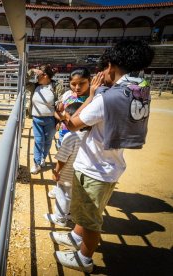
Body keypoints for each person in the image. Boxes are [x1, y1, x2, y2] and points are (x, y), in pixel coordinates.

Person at [50, 40, 154, 273]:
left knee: (90, 219)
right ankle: (77, 237)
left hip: (95, 167)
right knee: (87, 211)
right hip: (110, 164)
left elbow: (73, 124)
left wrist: (91, 96)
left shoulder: (104, 99)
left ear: (111, 66)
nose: (100, 74)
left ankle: (84, 258)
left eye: (103, 69)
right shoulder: (140, 89)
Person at [44, 102, 86, 227]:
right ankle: (70, 214)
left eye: (67, 119)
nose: (65, 122)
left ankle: (60, 218)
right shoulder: (90, 135)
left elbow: (62, 159)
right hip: (81, 174)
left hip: (67, 174)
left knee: (63, 195)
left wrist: (56, 172)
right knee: (73, 195)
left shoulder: (71, 136)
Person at [26, 64, 62, 174]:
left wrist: (59, 121)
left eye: (39, 75)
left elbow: (61, 101)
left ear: (45, 75)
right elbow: (23, 81)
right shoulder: (35, 86)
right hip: (37, 119)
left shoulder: (56, 86)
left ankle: (43, 159)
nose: (36, 77)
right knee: (38, 140)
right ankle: (37, 163)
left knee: (47, 141)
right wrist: (32, 71)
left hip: (51, 120)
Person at [55, 67, 91, 149]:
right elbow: (57, 111)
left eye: (82, 83)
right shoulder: (68, 94)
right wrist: (61, 118)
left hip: (83, 138)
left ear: (90, 80)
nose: (77, 87)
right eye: (73, 84)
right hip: (64, 134)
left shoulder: (93, 98)